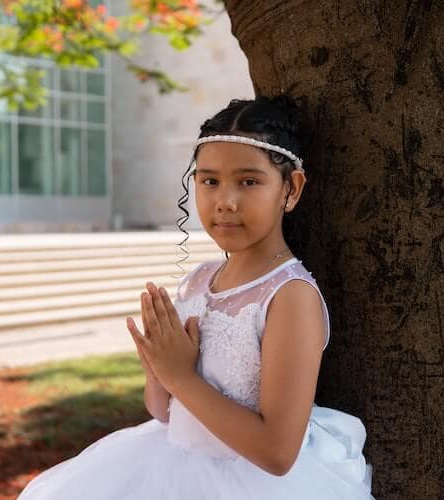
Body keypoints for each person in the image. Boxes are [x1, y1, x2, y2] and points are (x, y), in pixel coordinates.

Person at [18, 96, 374, 499]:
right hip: (171, 468)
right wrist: (158, 369)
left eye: (249, 181)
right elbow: (165, 412)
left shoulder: (289, 296)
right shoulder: (201, 280)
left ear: (290, 189)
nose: (225, 200)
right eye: (209, 181)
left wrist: (179, 376)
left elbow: (277, 453)